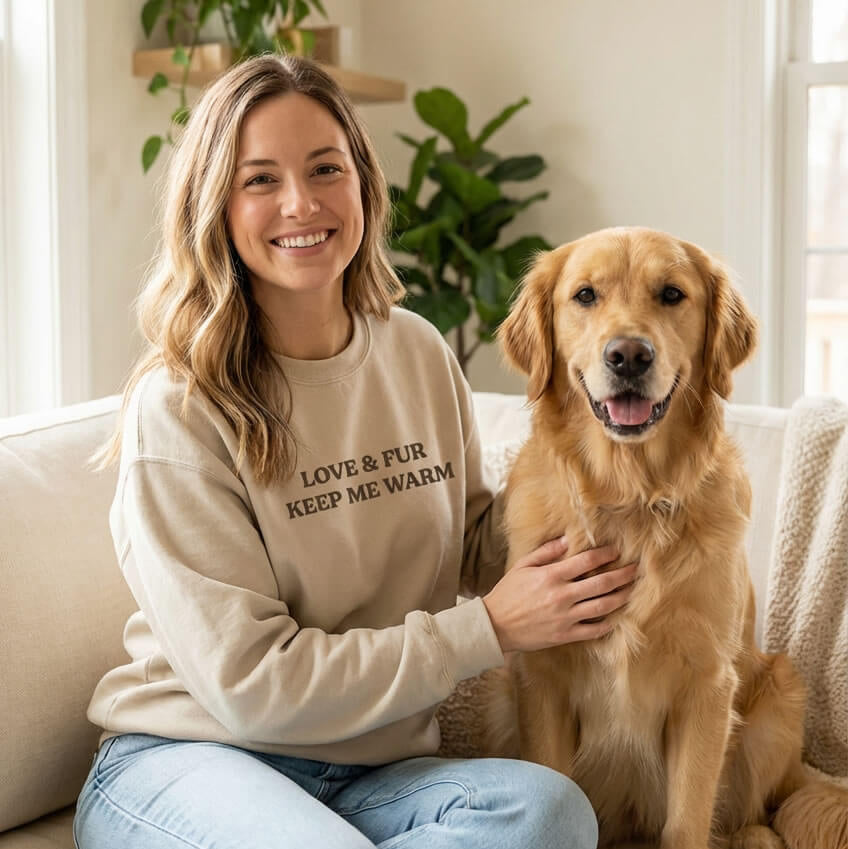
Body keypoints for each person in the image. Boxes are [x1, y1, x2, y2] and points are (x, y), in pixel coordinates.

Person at [73, 54, 637, 849]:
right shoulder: (181, 406)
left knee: (549, 812)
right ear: (216, 206)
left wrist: (596, 460)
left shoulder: (416, 350)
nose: (300, 203)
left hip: (371, 772)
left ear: (365, 185)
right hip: (190, 755)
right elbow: (254, 686)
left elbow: (475, 537)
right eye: (259, 179)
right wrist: (489, 630)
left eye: (324, 168)